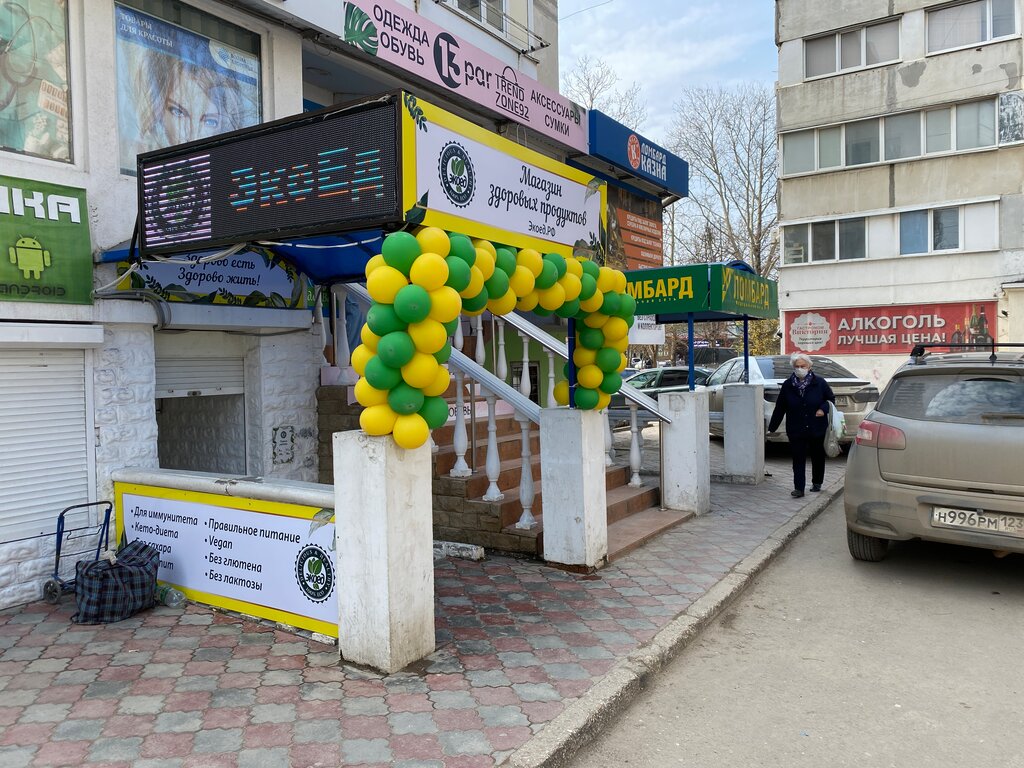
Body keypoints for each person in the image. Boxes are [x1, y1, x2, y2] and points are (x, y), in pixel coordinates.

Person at [767, 352, 835, 498]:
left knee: (817, 456)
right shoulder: (788, 385)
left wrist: (823, 409)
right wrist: (772, 427)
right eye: (797, 366)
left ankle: (817, 482)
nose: (800, 369)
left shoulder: (819, 383)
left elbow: (830, 400)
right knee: (798, 458)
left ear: (809, 366)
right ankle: (799, 488)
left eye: (803, 366)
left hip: (816, 426)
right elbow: (780, 407)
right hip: (796, 428)